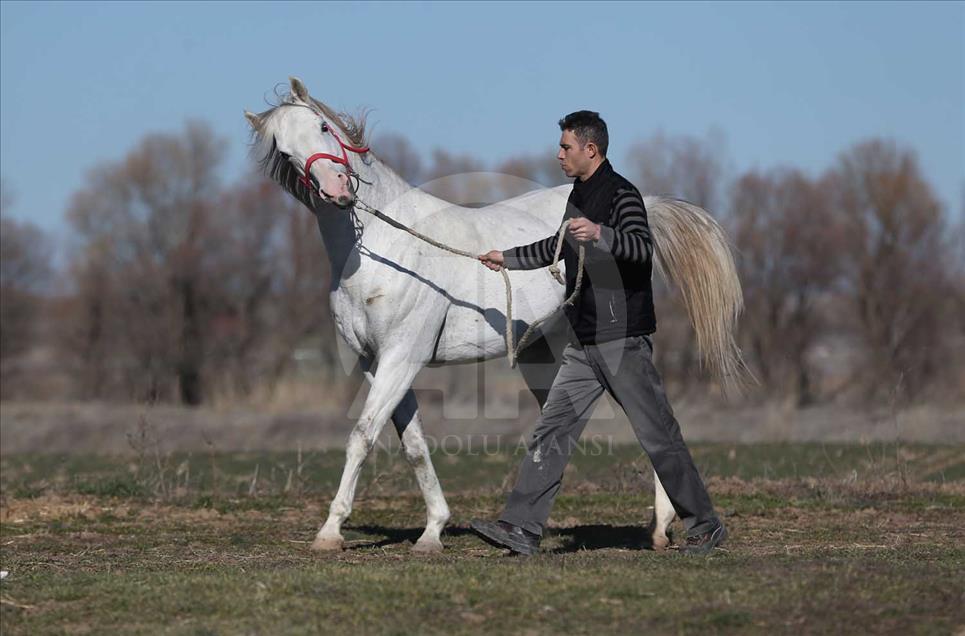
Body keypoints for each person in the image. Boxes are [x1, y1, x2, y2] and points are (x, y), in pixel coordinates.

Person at [470, 111, 726, 556]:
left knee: (658, 437)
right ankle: (521, 528)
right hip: (584, 344)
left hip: (623, 340)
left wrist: (602, 235)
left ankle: (705, 526)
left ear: (591, 149)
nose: (559, 154)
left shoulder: (622, 194)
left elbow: (641, 250)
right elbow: (556, 246)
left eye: (566, 147)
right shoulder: (580, 194)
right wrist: (505, 258)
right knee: (551, 431)